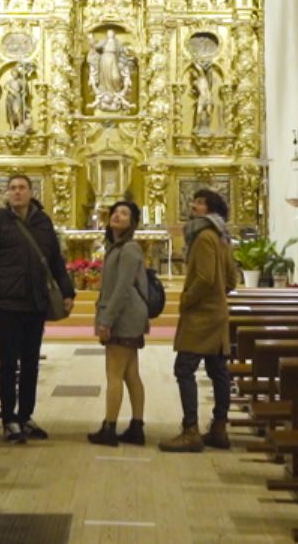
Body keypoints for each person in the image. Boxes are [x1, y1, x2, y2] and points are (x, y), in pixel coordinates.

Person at [0, 174, 75, 444]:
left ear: (31, 192)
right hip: (7, 303)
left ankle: (25, 415)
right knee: (9, 365)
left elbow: (55, 262)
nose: (17, 193)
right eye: (13, 189)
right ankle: (9, 420)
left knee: (31, 364)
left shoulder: (43, 222)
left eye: (22, 188)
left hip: (35, 302)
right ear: (7, 194)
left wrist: (67, 291)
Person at [160, 188, 239, 452]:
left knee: (184, 369)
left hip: (201, 316)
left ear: (212, 209)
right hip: (216, 312)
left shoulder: (204, 236)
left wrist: (187, 300)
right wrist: (218, 297)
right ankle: (219, 428)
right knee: (218, 371)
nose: (193, 206)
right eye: (194, 201)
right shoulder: (221, 235)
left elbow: (205, 278)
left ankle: (191, 430)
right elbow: (231, 280)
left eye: (201, 203)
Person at [87, 200, 149, 447]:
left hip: (123, 317)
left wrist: (106, 321)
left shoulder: (129, 249)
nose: (117, 216)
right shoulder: (116, 247)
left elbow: (122, 289)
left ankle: (109, 428)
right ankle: (136, 427)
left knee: (114, 374)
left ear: (132, 222)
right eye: (115, 212)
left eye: (124, 213)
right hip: (127, 316)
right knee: (131, 374)